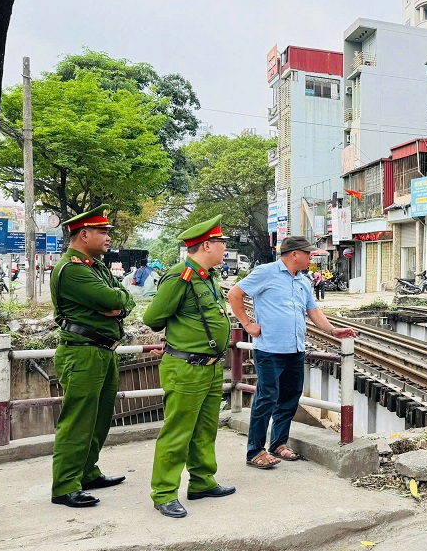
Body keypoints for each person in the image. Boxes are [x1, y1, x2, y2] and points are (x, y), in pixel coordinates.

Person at [227, 236, 356, 469]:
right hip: (269, 349)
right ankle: (255, 451)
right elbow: (234, 295)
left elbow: (312, 311)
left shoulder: (304, 281)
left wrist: (333, 330)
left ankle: (278, 443)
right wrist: (247, 324)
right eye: (308, 254)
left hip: (295, 349)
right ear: (294, 254)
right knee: (266, 399)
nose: (310, 257)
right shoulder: (266, 272)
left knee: (289, 398)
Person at [143, 216, 234, 519]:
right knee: (178, 431)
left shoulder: (207, 276)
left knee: (206, 428)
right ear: (207, 245)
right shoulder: (180, 276)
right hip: (185, 366)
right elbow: (153, 318)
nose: (224, 248)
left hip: (209, 366)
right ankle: (165, 492)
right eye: (222, 243)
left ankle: (202, 481)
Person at [49, 205, 135, 508]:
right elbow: (111, 298)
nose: (108, 237)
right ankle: (64, 485)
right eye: (103, 232)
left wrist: (119, 304)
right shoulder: (72, 268)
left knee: (98, 419)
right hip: (83, 353)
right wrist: (117, 302)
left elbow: (123, 298)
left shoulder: (94, 265)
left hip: (103, 351)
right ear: (83, 234)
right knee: (78, 420)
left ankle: (87, 472)